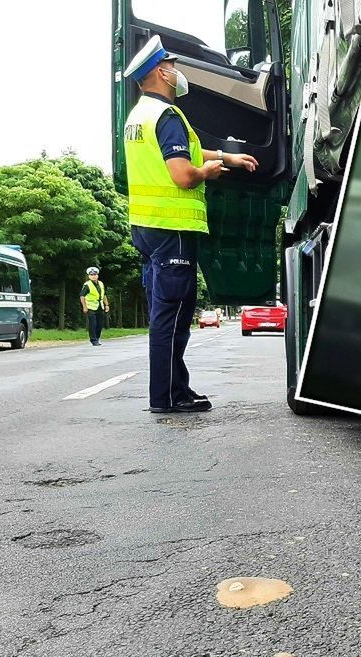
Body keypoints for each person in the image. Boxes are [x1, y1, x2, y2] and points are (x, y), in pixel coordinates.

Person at [121, 35, 258, 413]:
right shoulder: (165, 116)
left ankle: (175, 389)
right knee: (173, 314)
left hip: (149, 228)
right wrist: (209, 171)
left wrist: (227, 157)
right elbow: (183, 173)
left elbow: (189, 148)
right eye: (173, 66)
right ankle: (166, 397)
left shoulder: (141, 116)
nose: (178, 72)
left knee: (168, 311)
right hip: (173, 229)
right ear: (161, 72)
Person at [79, 267, 109, 346]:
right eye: (91, 275)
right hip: (91, 307)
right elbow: (82, 296)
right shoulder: (87, 285)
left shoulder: (101, 284)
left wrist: (107, 305)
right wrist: (84, 307)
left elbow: (104, 295)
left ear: (97, 275)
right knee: (93, 324)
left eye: (95, 274)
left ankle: (97, 338)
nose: (93, 276)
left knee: (99, 324)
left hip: (100, 306)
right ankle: (93, 340)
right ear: (89, 276)